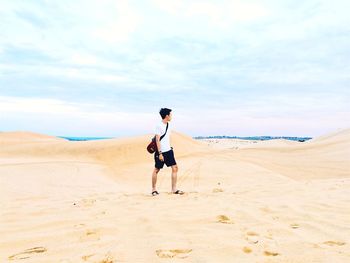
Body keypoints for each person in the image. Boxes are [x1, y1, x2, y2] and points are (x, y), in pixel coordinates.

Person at [151, 108, 184, 196]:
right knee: (157, 169)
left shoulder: (169, 125)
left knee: (175, 168)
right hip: (160, 152)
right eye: (170, 114)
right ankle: (153, 189)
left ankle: (174, 189)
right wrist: (160, 153)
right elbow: (157, 140)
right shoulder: (159, 125)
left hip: (169, 151)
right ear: (167, 116)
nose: (171, 116)